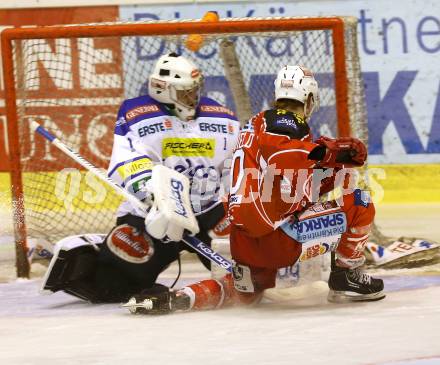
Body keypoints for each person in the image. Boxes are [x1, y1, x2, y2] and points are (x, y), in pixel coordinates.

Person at [126, 64, 386, 314]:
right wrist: (330, 152)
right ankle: (346, 276)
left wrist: (333, 159)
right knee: (360, 200)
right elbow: (284, 155)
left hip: (246, 242)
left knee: (245, 293)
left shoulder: (258, 123)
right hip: (279, 242)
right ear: (308, 98)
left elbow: (290, 174)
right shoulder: (289, 124)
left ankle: (173, 300)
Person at [41, 53, 240, 303]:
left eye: (194, 90)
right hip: (151, 212)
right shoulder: (136, 114)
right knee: (111, 288)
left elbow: (236, 166)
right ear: (163, 89)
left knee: (249, 275)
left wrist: (236, 201)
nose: (193, 97)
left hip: (209, 209)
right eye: (185, 92)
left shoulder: (223, 117)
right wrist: (160, 198)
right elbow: (129, 162)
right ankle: (99, 246)